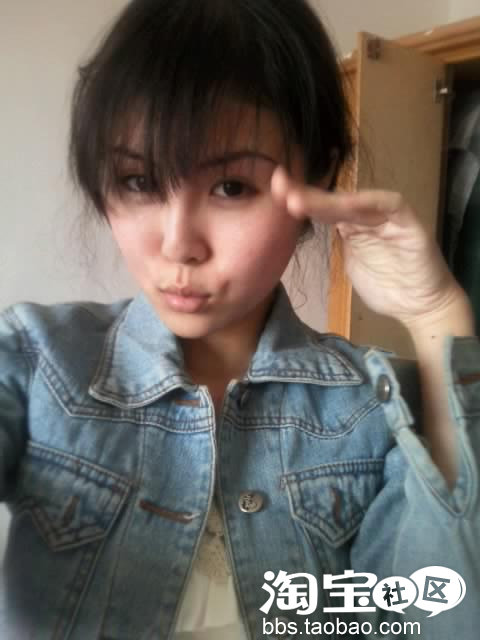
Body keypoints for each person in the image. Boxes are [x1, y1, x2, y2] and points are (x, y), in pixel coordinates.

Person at [0, 1, 479, 638]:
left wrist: (435, 312)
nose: (178, 245)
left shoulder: (369, 410)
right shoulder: (38, 361)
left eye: (231, 187)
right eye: (138, 180)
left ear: (320, 177)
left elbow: (436, 614)